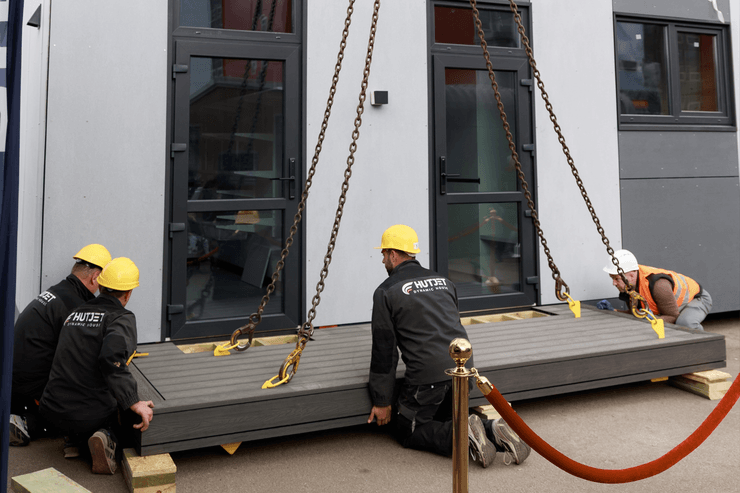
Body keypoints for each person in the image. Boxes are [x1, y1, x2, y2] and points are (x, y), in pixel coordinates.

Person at [366, 224, 530, 468]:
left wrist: (382, 401)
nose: (382, 260)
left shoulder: (386, 291)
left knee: (408, 429)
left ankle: (464, 435)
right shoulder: (444, 281)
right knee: (444, 416)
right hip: (464, 369)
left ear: (393, 254)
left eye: (383, 254)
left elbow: (384, 350)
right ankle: (493, 429)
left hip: (428, 377)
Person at [39, 257, 155, 475]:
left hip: (52, 410)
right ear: (128, 293)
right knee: (123, 418)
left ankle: (74, 440)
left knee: (86, 391)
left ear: (100, 286)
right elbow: (111, 359)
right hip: (87, 415)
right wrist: (133, 401)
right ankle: (106, 437)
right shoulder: (120, 317)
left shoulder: (75, 313)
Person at [10, 243, 112, 447]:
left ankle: (21, 416)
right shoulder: (75, 306)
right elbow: (83, 358)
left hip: (14, 381)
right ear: (95, 277)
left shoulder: (59, 292)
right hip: (32, 390)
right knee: (82, 400)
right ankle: (28, 424)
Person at [601, 249, 712, 330]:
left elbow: (672, 316)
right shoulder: (628, 286)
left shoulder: (659, 285)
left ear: (631, 274)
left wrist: (652, 320)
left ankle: (704, 346)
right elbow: (635, 313)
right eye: (612, 278)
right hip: (673, 306)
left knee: (685, 324)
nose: (613, 283)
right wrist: (614, 311)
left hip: (697, 298)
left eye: (616, 279)